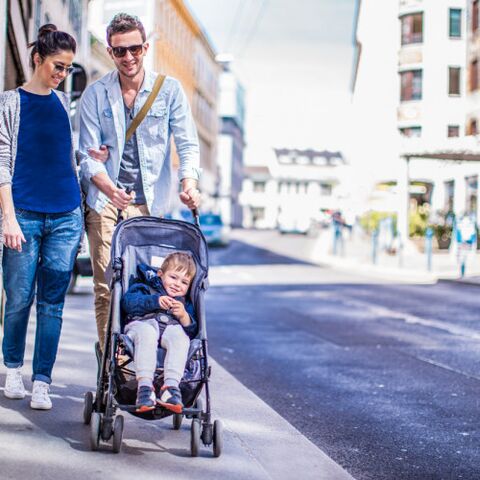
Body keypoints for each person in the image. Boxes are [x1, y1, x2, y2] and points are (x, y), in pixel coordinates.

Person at [78, 13, 201, 352]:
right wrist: (108, 188)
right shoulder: (95, 95)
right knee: (107, 288)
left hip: (150, 206)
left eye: (134, 49)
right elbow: (85, 155)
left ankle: (137, 355)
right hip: (105, 203)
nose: (128, 57)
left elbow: (188, 145)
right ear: (110, 52)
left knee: (142, 286)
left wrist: (189, 183)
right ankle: (112, 366)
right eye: (120, 51)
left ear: (145, 47)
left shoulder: (169, 91)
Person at [0, 25, 83, 410]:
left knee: (53, 302)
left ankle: (42, 381)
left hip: (66, 215)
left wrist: (90, 157)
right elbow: (2, 166)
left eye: (67, 69)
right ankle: (12, 367)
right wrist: (9, 219)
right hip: (25, 215)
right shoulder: (10, 103)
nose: (61, 74)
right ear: (38, 59)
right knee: (18, 298)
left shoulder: (65, 105)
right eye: (57, 66)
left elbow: (68, 158)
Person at [121, 252, 197, 412]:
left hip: (170, 329)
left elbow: (193, 331)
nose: (177, 284)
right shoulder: (145, 287)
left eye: (184, 282)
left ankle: (170, 387)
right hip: (141, 325)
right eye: (173, 277)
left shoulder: (185, 302)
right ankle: (145, 388)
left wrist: (184, 316)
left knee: (181, 338)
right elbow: (128, 303)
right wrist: (154, 302)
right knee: (147, 333)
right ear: (160, 274)